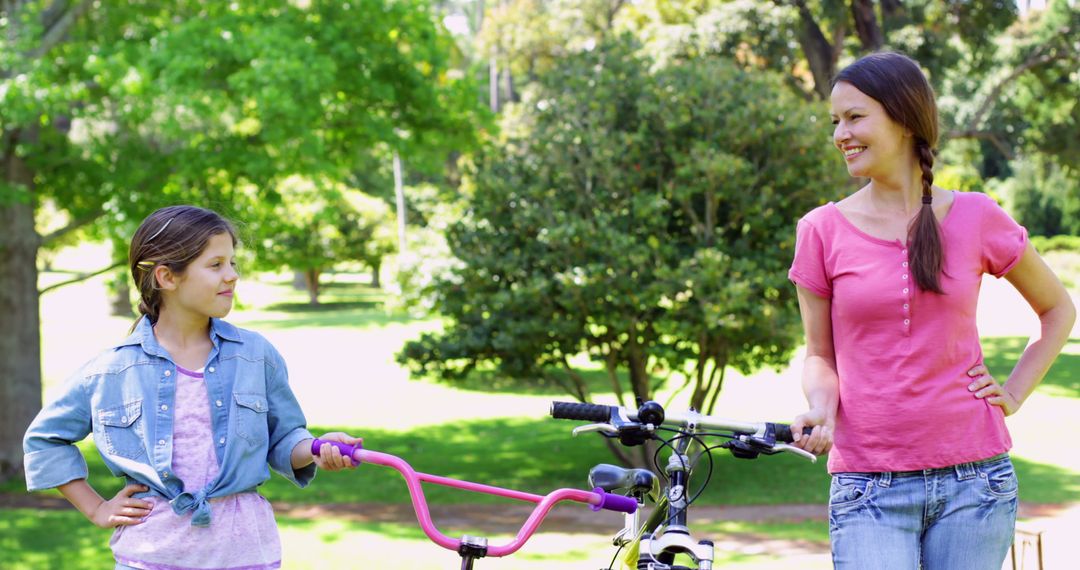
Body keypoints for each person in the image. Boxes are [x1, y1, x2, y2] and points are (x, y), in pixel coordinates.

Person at [786, 52, 1075, 569]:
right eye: (835, 121)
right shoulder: (820, 230)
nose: (839, 135)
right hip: (868, 487)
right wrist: (821, 407)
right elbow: (819, 355)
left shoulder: (978, 216)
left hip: (975, 483)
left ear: (903, 117)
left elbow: (1057, 310)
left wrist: (1012, 392)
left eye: (854, 117)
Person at [23, 205, 361, 570]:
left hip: (248, 555)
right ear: (167, 277)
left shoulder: (255, 355)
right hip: (149, 558)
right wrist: (97, 508)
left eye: (232, 263)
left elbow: (283, 439)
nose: (231, 275)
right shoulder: (113, 369)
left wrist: (315, 448)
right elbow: (45, 439)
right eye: (216, 265)